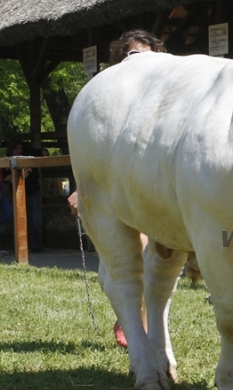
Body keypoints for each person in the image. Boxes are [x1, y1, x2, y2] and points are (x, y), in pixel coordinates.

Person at [70, 28, 167, 347]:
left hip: (152, 194)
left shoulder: (166, 98)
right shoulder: (104, 98)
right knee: (124, 260)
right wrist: (80, 190)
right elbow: (93, 151)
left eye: (145, 53)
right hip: (115, 195)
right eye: (132, 54)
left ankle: (143, 324)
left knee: (152, 261)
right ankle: (131, 321)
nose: (138, 61)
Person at [9, 140, 47, 253]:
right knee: (18, 218)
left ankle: (34, 245)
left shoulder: (29, 155)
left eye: (20, 149)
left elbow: (43, 152)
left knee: (34, 218)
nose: (18, 151)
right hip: (16, 191)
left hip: (32, 189)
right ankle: (18, 245)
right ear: (11, 150)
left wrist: (44, 152)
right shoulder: (8, 160)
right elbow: (5, 178)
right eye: (16, 149)